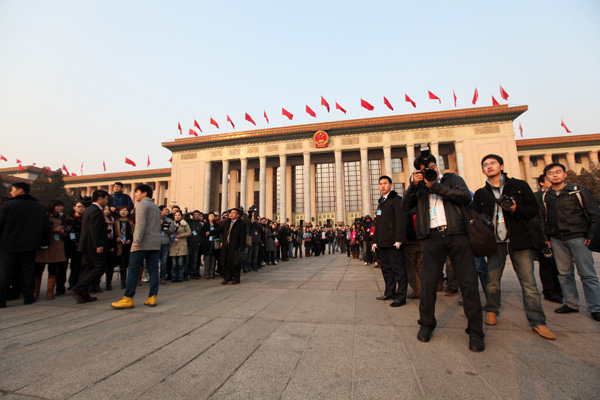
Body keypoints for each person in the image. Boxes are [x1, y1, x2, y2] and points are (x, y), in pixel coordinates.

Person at [402, 152, 485, 352]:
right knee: (429, 284)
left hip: (458, 235)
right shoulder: (418, 189)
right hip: (431, 238)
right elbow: (405, 206)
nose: (428, 171)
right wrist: (414, 186)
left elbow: (465, 197)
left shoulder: (452, 179)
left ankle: (475, 332)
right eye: (423, 169)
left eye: (431, 166)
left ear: (436, 166)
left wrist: (436, 186)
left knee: (468, 283)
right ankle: (426, 324)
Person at [473, 154, 555, 340]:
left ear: (501, 165)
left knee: (529, 284)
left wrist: (515, 209)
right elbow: (476, 218)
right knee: (492, 281)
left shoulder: (519, 186)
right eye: (485, 164)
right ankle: (492, 310)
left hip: (519, 240)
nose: (489, 166)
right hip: (495, 242)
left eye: (493, 163)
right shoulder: (480, 193)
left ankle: (538, 321)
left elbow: (533, 210)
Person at [541, 163, 600, 322]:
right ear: (546, 177)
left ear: (565, 174)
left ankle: (596, 307)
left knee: (587, 274)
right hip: (557, 238)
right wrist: (547, 238)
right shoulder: (546, 195)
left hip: (578, 236)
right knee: (564, 273)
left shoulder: (579, 191)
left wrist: (590, 235)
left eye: (558, 172)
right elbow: (544, 219)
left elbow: (595, 214)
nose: (555, 175)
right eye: (551, 173)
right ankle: (571, 303)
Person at [111, 184, 162, 308]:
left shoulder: (141, 205)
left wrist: (137, 241)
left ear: (144, 193)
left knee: (133, 270)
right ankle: (152, 297)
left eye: (137, 192)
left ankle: (128, 297)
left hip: (142, 244)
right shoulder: (156, 207)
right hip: (155, 244)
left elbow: (140, 225)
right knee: (153, 271)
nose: (135, 194)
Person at [0, 183, 49, 308]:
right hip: (30, 245)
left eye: (12, 190)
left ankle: (1, 299)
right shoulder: (40, 206)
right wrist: (44, 243)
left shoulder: (7, 205)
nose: (11, 193)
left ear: (20, 190)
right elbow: (45, 227)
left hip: (8, 245)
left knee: (5, 272)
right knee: (27, 271)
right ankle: (28, 297)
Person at [372, 176, 408, 308]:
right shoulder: (381, 201)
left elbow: (400, 221)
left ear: (391, 185)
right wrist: (375, 241)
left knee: (399, 270)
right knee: (386, 269)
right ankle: (389, 292)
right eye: (380, 184)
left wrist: (399, 239)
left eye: (385, 183)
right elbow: (378, 224)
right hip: (382, 242)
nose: (382, 186)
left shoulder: (396, 200)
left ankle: (401, 296)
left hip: (393, 242)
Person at [70, 190, 110, 304]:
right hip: (93, 245)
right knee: (100, 267)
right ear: (100, 198)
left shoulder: (88, 210)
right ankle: (78, 289)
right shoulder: (96, 211)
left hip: (85, 244)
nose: (107, 201)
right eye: (106, 199)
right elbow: (95, 229)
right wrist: (98, 245)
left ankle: (83, 294)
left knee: (86, 268)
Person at [534, 174, 563, 303]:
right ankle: (549, 290)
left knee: (560, 265)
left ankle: (560, 290)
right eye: (547, 179)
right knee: (546, 264)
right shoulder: (536, 197)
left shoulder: (559, 195)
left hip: (558, 234)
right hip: (542, 235)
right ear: (541, 183)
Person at [34, 200, 67, 300]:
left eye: (61, 206)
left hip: (57, 246)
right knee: (38, 269)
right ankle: (35, 292)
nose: (60, 208)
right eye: (58, 206)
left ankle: (50, 292)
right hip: (45, 245)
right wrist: (53, 230)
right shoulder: (45, 216)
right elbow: (40, 228)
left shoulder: (61, 218)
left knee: (53, 269)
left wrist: (62, 231)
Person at [217, 208, 247, 285]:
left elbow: (243, 236)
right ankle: (227, 277)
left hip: (235, 245)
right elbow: (220, 229)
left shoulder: (241, 223)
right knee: (226, 262)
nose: (231, 214)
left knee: (235, 263)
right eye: (230, 213)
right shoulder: (227, 222)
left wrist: (241, 246)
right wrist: (209, 233)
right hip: (226, 245)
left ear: (238, 215)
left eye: (233, 213)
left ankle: (236, 279)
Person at [63, 201, 86, 292]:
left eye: (82, 207)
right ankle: (60, 286)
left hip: (78, 245)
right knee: (63, 267)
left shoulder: (85, 218)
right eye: (79, 206)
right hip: (67, 244)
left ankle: (73, 284)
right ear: (74, 207)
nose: (80, 208)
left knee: (76, 267)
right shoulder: (67, 217)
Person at [114, 205, 134, 289]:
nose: (123, 212)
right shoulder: (115, 221)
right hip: (117, 244)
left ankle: (123, 282)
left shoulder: (131, 222)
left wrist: (130, 240)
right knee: (116, 264)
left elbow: (132, 233)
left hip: (127, 244)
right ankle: (109, 283)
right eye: (121, 210)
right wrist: (116, 238)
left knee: (124, 264)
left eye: (125, 210)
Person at [169, 211, 191, 282]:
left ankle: (180, 276)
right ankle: (174, 276)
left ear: (182, 216)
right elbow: (168, 232)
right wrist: (170, 235)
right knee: (174, 263)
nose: (177, 216)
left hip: (182, 245)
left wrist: (180, 236)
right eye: (176, 215)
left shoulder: (184, 224)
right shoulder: (172, 224)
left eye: (179, 215)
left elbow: (189, 232)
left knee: (180, 262)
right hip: (173, 245)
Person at [158, 206, 175, 284]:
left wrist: (165, 227)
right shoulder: (155, 219)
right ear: (161, 211)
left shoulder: (169, 220)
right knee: (154, 261)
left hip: (165, 242)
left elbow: (171, 230)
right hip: (155, 243)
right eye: (165, 209)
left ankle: (162, 277)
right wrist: (159, 225)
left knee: (164, 261)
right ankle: (154, 277)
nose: (167, 210)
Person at [201, 212, 220, 279]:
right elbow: (202, 233)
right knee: (207, 259)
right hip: (207, 243)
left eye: (213, 216)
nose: (212, 217)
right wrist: (206, 234)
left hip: (214, 243)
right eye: (210, 216)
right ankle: (206, 273)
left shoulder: (216, 225)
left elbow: (218, 232)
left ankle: (212, 273)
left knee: (213, 259)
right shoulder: (205, 225)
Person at [186, 210, 204, 279]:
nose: (196, 216)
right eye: (195, 214)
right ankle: (186, 273)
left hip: (196, 245)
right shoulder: (189, 222)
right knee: (187, 260)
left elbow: (201, 235)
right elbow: (185, 219)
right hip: (189, 244)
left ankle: (193, 273)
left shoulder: (200, 224)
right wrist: (189, 214)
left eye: (198, 215)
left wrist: (200, 242)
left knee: (194, 260)